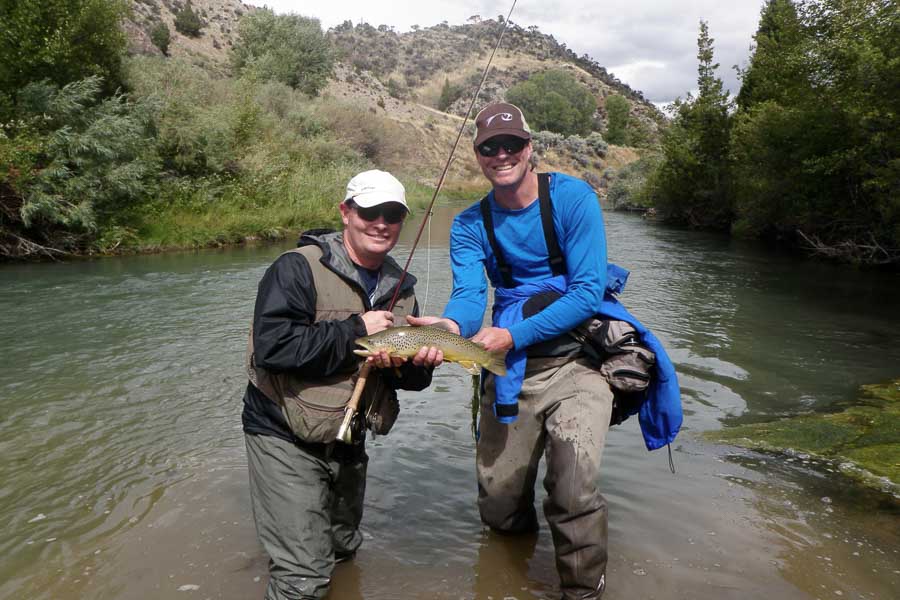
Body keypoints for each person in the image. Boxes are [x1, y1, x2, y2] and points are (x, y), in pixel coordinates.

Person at [408, 103, 681, 599]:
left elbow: (585, 291)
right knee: (499, 503)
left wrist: (511, 334)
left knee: (573, 489)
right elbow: (470, 296)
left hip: (580, 359)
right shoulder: (470, 225)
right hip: (509, 365)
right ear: (478, 156)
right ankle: (509, 575)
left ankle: (582, 592)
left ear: (531, 148)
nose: (502, 154)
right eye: (490, 147)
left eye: (512, 143)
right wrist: (448, 327)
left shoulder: (574, 198)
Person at [242, 169, 443, 600]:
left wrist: (415, 365)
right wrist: (357, 330)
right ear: (346, 212)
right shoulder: (295, 269)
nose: (381, 223)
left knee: (342, 550)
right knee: (303, 578)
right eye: (370, 211)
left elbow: (413, 382)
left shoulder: (401, 288)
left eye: (392, 214)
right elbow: (274, 348)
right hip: (282, 432)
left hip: (348, 436)